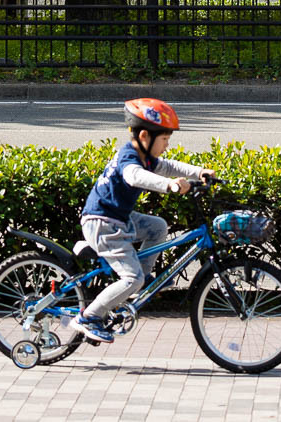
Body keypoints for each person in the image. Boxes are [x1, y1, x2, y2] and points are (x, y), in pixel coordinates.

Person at [72, 97, 212, 344]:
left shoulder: (145, 156)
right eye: (165, 140)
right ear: (145, 136)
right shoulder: (129, 157)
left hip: (119, 219)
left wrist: (197, 172)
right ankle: (90, 316)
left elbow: (167, 166)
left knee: (157, 226)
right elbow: (134, 176)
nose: (167, 146)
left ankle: (142, 280)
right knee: (131, 278)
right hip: (102, 222)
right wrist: (169, 185)